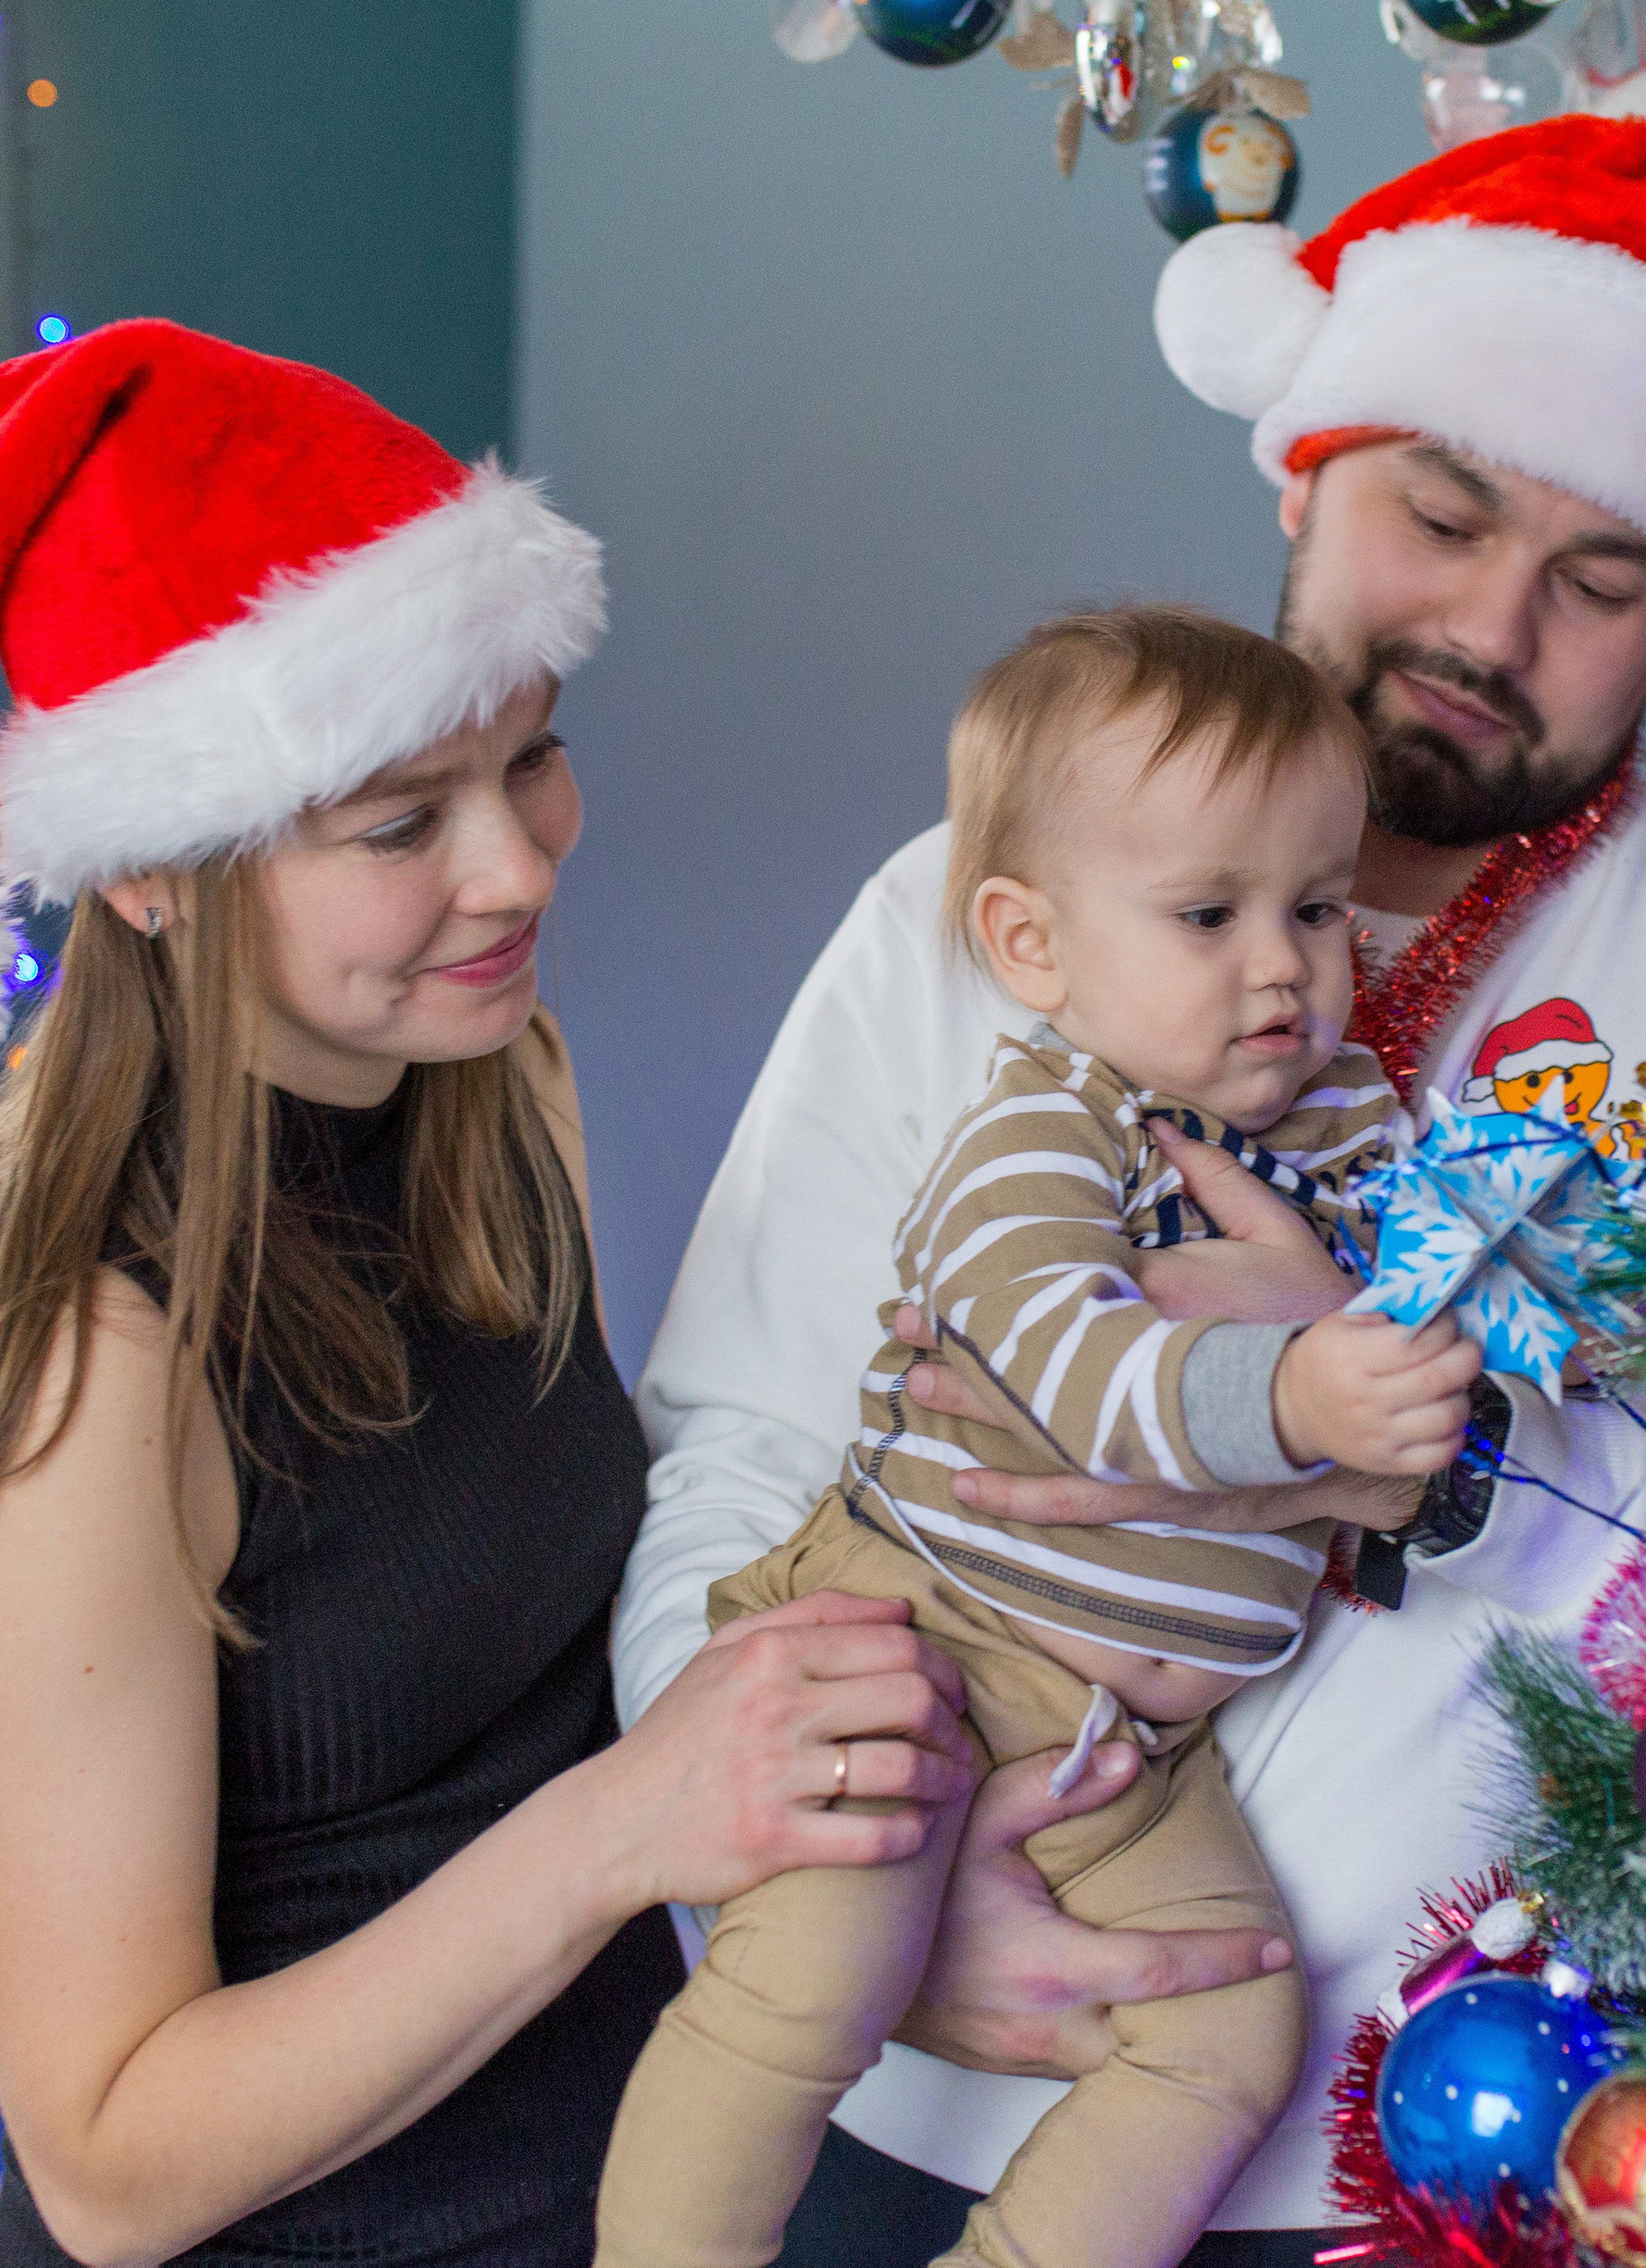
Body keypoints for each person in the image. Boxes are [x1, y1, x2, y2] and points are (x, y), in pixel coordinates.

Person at [613, 115, 1646, 2261]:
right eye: (1440, 507)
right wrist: (816, 1872)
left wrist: (1374, 1399)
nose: (1491, 620)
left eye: (1599, 580)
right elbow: (742, 1443)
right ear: (1300, 464)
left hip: (1514, 2156)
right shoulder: (965, 912)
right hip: (909, 2092)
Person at [0, 320, 973, 2268]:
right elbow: (109, 2157)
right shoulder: (52, 1349)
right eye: (395, 822)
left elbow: (530, 1647)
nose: (515, 864)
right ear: (152, 872)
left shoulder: (485, 1095)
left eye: (531, 755)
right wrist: (629, 1821)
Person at [595, 607, 1482, 2268]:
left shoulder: (1358, 1115)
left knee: (1231, 2035)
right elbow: (1066, 1363)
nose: (1282, 964)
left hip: (1127, 1755)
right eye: (1208, 916)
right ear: (1032, 944)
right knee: (806, 1981)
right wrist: (1299, 1394)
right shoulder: (1044, 1125)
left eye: (1316, 906)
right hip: (923, 1644)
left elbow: (1455, 1352)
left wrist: (1415, 1380)